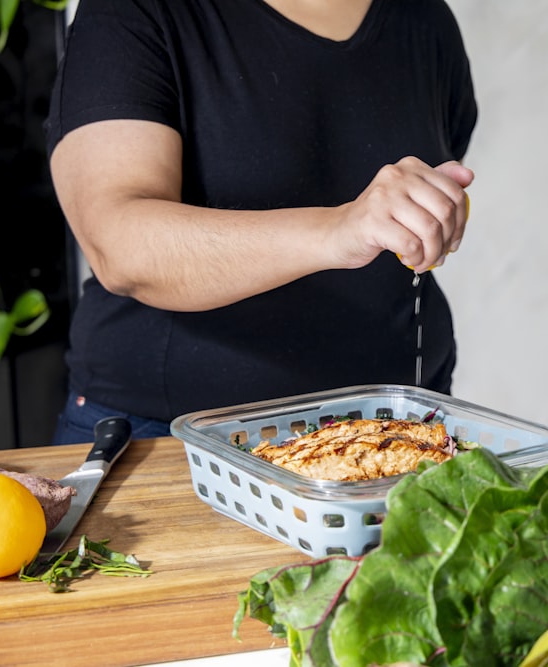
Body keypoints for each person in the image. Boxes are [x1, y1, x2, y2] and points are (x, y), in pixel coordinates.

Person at [46, 0, 478, 445]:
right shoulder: (137, 11)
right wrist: (339, 230)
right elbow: (120, 247)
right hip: (167, 438)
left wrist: (429, 211)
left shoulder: (425, 19)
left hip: (398, 429)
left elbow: (425, 189)